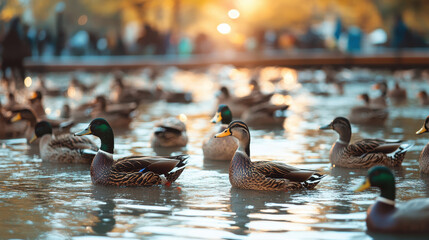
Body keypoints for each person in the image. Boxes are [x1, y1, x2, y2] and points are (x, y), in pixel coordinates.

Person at [1, 17, 26, 90]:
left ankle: (5, 80)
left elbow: (3, 43)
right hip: (16, 58)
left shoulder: (9, 32)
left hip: (8, 58)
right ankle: (23, 84)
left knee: (5, 68)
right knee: (21, 71)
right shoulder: (18, 33)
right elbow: (21, 44)